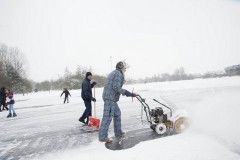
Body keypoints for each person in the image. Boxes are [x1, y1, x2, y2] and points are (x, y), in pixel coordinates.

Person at [98, 61, 136, 143]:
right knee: (107, 116)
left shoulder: (115, 73)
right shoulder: (118, 74)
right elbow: (116, 87)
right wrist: (127, 93)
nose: (125, 69)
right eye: (124, 68)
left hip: (110, 97)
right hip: (110, 97)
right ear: (121, 67)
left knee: (117, 113)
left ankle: (118, 133)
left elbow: (115, 86)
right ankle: (102, 136)